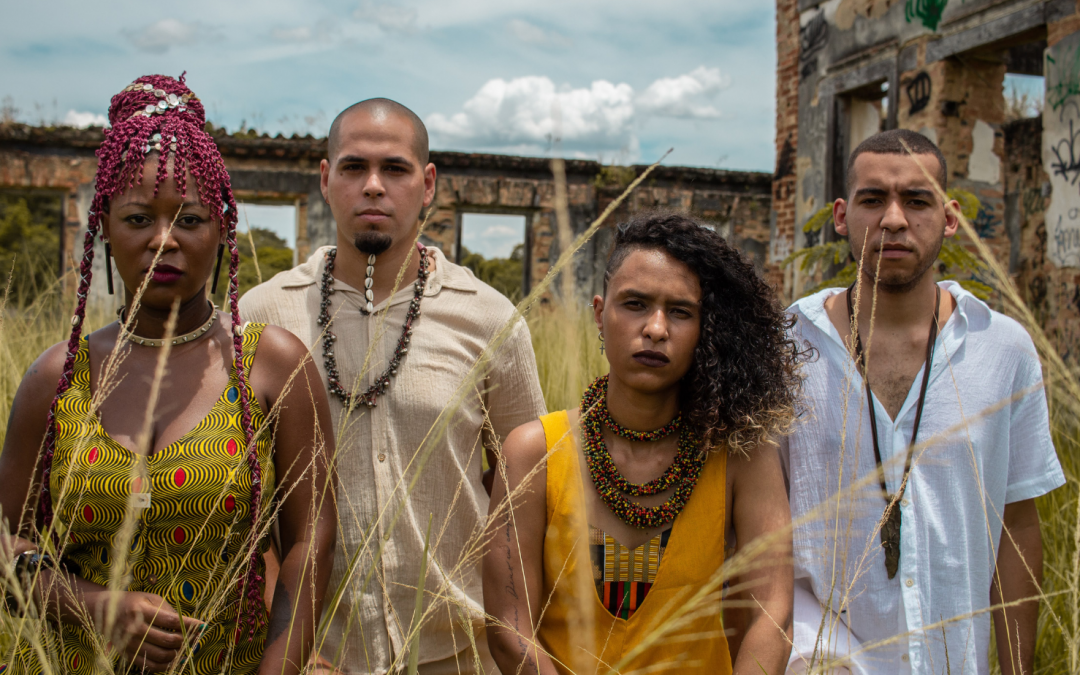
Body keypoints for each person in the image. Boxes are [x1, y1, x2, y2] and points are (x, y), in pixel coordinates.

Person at [0, 74, 337, 675]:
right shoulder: (58, 378)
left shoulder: (271, 365)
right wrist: (93, 607)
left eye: (190, 219)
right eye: (138, 219)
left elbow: (311, 541)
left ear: (223, 229)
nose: (164, 241)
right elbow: (7, 547)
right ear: (103, 228)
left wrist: (280, 668)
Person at [239, 98, 547, 674]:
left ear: (428, 184)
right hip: (312, 656)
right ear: (326, 180)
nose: (374, 187)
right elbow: (244, 507)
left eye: (396, 169)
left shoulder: (490, 319)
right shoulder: (262, 315)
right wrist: (288, 651)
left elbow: (524, 495)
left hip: (456, 652)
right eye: (354, 168)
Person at [782, 129, 1065, 675]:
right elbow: (752, 530)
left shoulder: (1003, 349)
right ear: (841, 216)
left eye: (917, 200)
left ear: (950, 218)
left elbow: (1017, 525)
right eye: (873, 200)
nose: (893, 219)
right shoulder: (786, 346)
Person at [484, 212, 799, 675]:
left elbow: (772, 616)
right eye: (635, 304)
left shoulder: (740, 456)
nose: (655, 328)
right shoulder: (535, 452)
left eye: (680, 311)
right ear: (599, 313)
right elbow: (509, 629)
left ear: (705, 330)